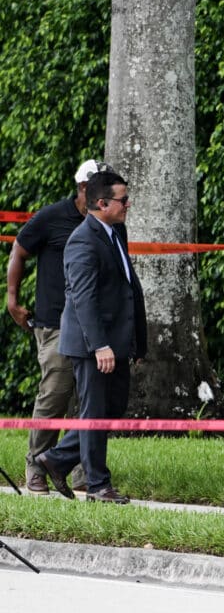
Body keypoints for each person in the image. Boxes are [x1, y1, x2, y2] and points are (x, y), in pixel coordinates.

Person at [35, 169, 147, 504]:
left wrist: (135, 340)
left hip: (117, 340)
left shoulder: (116, 230)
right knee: (96, 411)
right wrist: (100, 345)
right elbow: (83, 298)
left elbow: (126, 285)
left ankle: (56, 459)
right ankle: (98, 486)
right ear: (101, 203)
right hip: (91, 345)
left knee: (110, 409)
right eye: (122, 200)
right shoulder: (82, 240)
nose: (128, 204)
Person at [6, 160, 111, 495]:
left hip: (93, 325)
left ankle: (78, 468)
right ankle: (36, 465)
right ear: (82, 188)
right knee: (54, 394)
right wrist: (12, 298)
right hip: (54, 324)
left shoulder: (105, 222)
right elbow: (18, 251)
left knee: (90, 401)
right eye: (96, 187)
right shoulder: (52, 217)